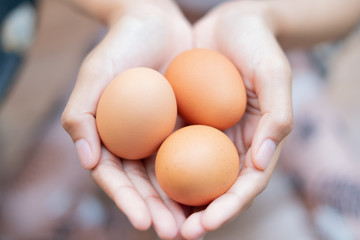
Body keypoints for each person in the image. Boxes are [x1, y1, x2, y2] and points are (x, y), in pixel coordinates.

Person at [61, 0, 360, 239]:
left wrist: (263, 16)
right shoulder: (144, 80)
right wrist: (131, 9)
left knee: (351, 215)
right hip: (131, 51)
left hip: (264, 63)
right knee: (26, 215)